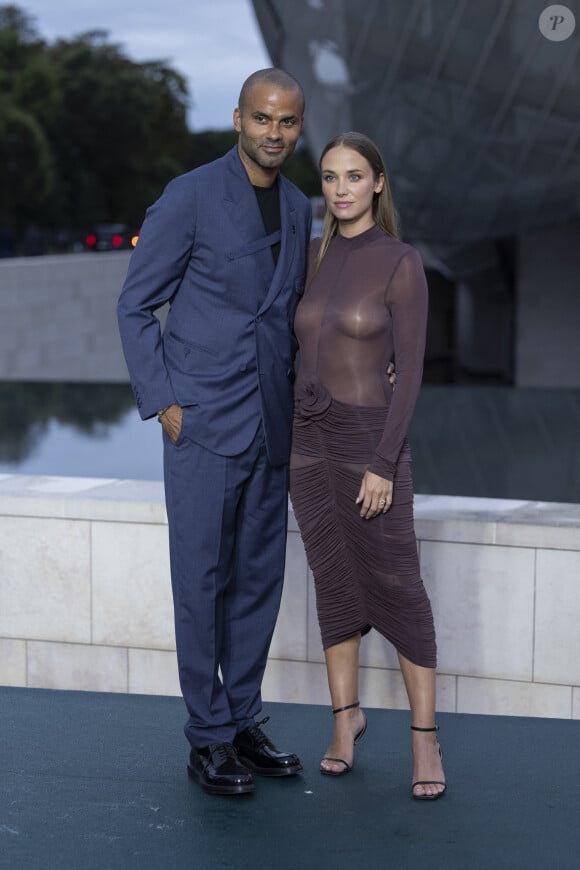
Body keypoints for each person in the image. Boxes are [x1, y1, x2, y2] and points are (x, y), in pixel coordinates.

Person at [117, 68, 312, 796]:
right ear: (238, 118)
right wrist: (164, 401)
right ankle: (206, 739)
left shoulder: (297, 209)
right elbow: (135, 305)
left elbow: (282, 322)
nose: (273, 132)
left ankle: (241, 721)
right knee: (201, 584)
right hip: (200, 425)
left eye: (287, 122)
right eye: (262, 118)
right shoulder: (191, 195)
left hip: (270, 428)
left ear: (299, 126)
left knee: (259, 582)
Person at [289, 132, 446, 800]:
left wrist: (383, 460)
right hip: (307, 441)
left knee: (398, 585)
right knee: (332, 579)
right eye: (329, 177)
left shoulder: (399, 262)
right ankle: (345, 719)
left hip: (367, 442)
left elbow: (409, 373)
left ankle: (424, 736)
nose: (341, 188)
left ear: (378, 183)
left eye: (355, 176)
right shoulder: (312, 257)